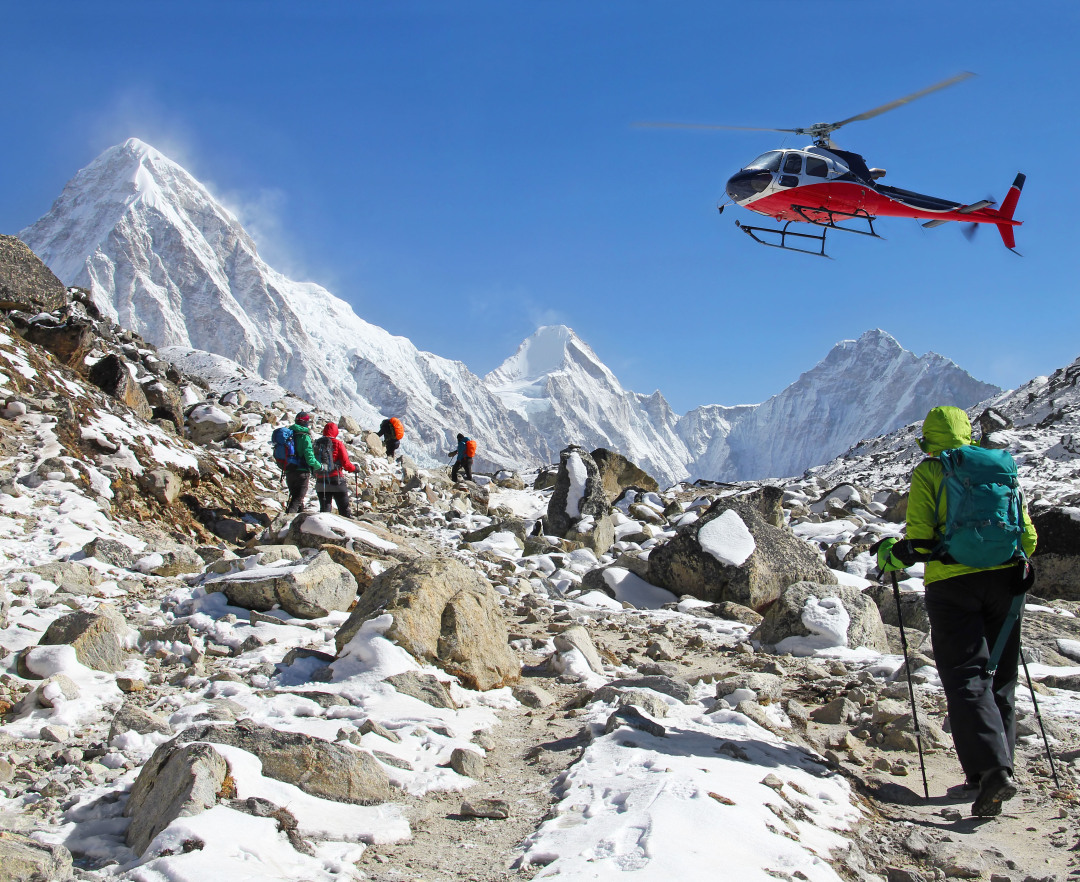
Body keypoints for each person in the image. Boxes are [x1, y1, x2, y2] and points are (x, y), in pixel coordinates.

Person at [878, 406, 1037, 817]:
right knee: (1000, 676)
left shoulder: (931, 471)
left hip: (952, 586)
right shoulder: (1001, 467)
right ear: (968, 433)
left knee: (966, 675)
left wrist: (893, 556)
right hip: (1006, 582)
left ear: (928, 439)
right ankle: (994, 771)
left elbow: (922, 543)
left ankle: (991, 772)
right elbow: (1030, 536)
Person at [314, 422, 358, 517]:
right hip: (336, 480)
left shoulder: (317, 443)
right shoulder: (338, 443)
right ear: (335, 432)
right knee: (344, 510)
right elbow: (346, 464)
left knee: (325, 511)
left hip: (321, 481)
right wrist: (355, 468)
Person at [284, 412, 324, 514]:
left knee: (296, 497)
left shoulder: (290, 434)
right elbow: (309, 457)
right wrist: (319, 466)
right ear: (306, 423)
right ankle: (286, 521)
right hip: (301, 472)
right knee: (297, 499)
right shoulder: (304, 436)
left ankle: (299, 522)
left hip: (289, 470)